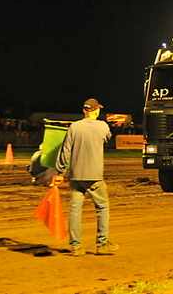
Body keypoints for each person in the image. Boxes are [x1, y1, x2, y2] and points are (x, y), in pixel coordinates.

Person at [54, 98, 117, 256]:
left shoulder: (74, 127)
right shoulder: (103, 126)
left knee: (75, 210)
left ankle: (76, 246)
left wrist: (60, 172)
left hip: (76, 176)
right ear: (97, 111)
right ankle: (102, 243)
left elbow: (65, 151)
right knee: (102, 207)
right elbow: (108, 138)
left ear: (84, 111)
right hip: (95, 176)